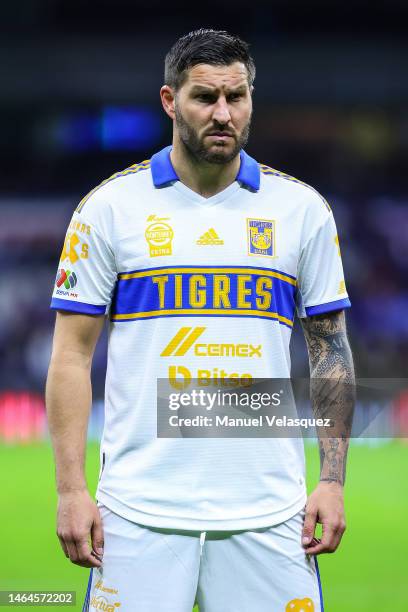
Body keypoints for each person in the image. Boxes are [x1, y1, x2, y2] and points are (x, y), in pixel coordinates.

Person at [46, 28, 354, 612]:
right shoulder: (109, 208)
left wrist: (332, 482)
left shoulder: (302, 210)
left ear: (251, 101)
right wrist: (70, 490)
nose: (223, 113)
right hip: (136, 515)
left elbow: (330, 352)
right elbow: (71, 357)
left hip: (271, 514)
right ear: (170, 101)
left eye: (236, 97)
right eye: (205, 97)